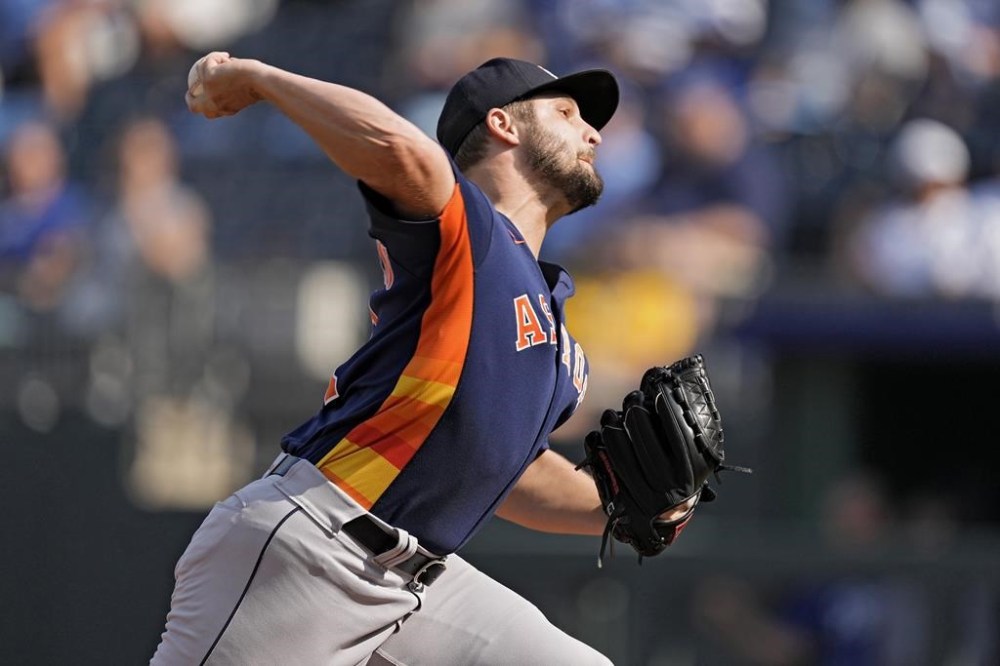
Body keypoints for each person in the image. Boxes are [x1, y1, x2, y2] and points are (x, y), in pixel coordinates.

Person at [151, 52, 695, 665]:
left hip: (417, 587)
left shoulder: (551, 323)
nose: (593, 132)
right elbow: (399, 150)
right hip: (312, 549)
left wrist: (628, 503)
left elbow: (507, 470)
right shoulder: (472, 231)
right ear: (503, 125)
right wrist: (263, 80)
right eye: (567, 113)